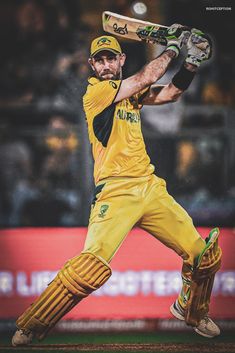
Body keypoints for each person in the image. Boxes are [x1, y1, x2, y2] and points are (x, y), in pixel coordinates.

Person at [12, 25, 222, 346]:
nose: (106, 64)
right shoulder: (96, 93)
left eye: (112, 58)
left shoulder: (131, 95)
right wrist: (173, 48)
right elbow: (145, 78)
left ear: (121, 60)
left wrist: (191, 61)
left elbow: (170, 93)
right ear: (93, 66)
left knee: (202, 255)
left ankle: (191, 311)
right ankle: (32, 325)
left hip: (150, 187)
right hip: (115, 192)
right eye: (101, 60)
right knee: (90, 266)